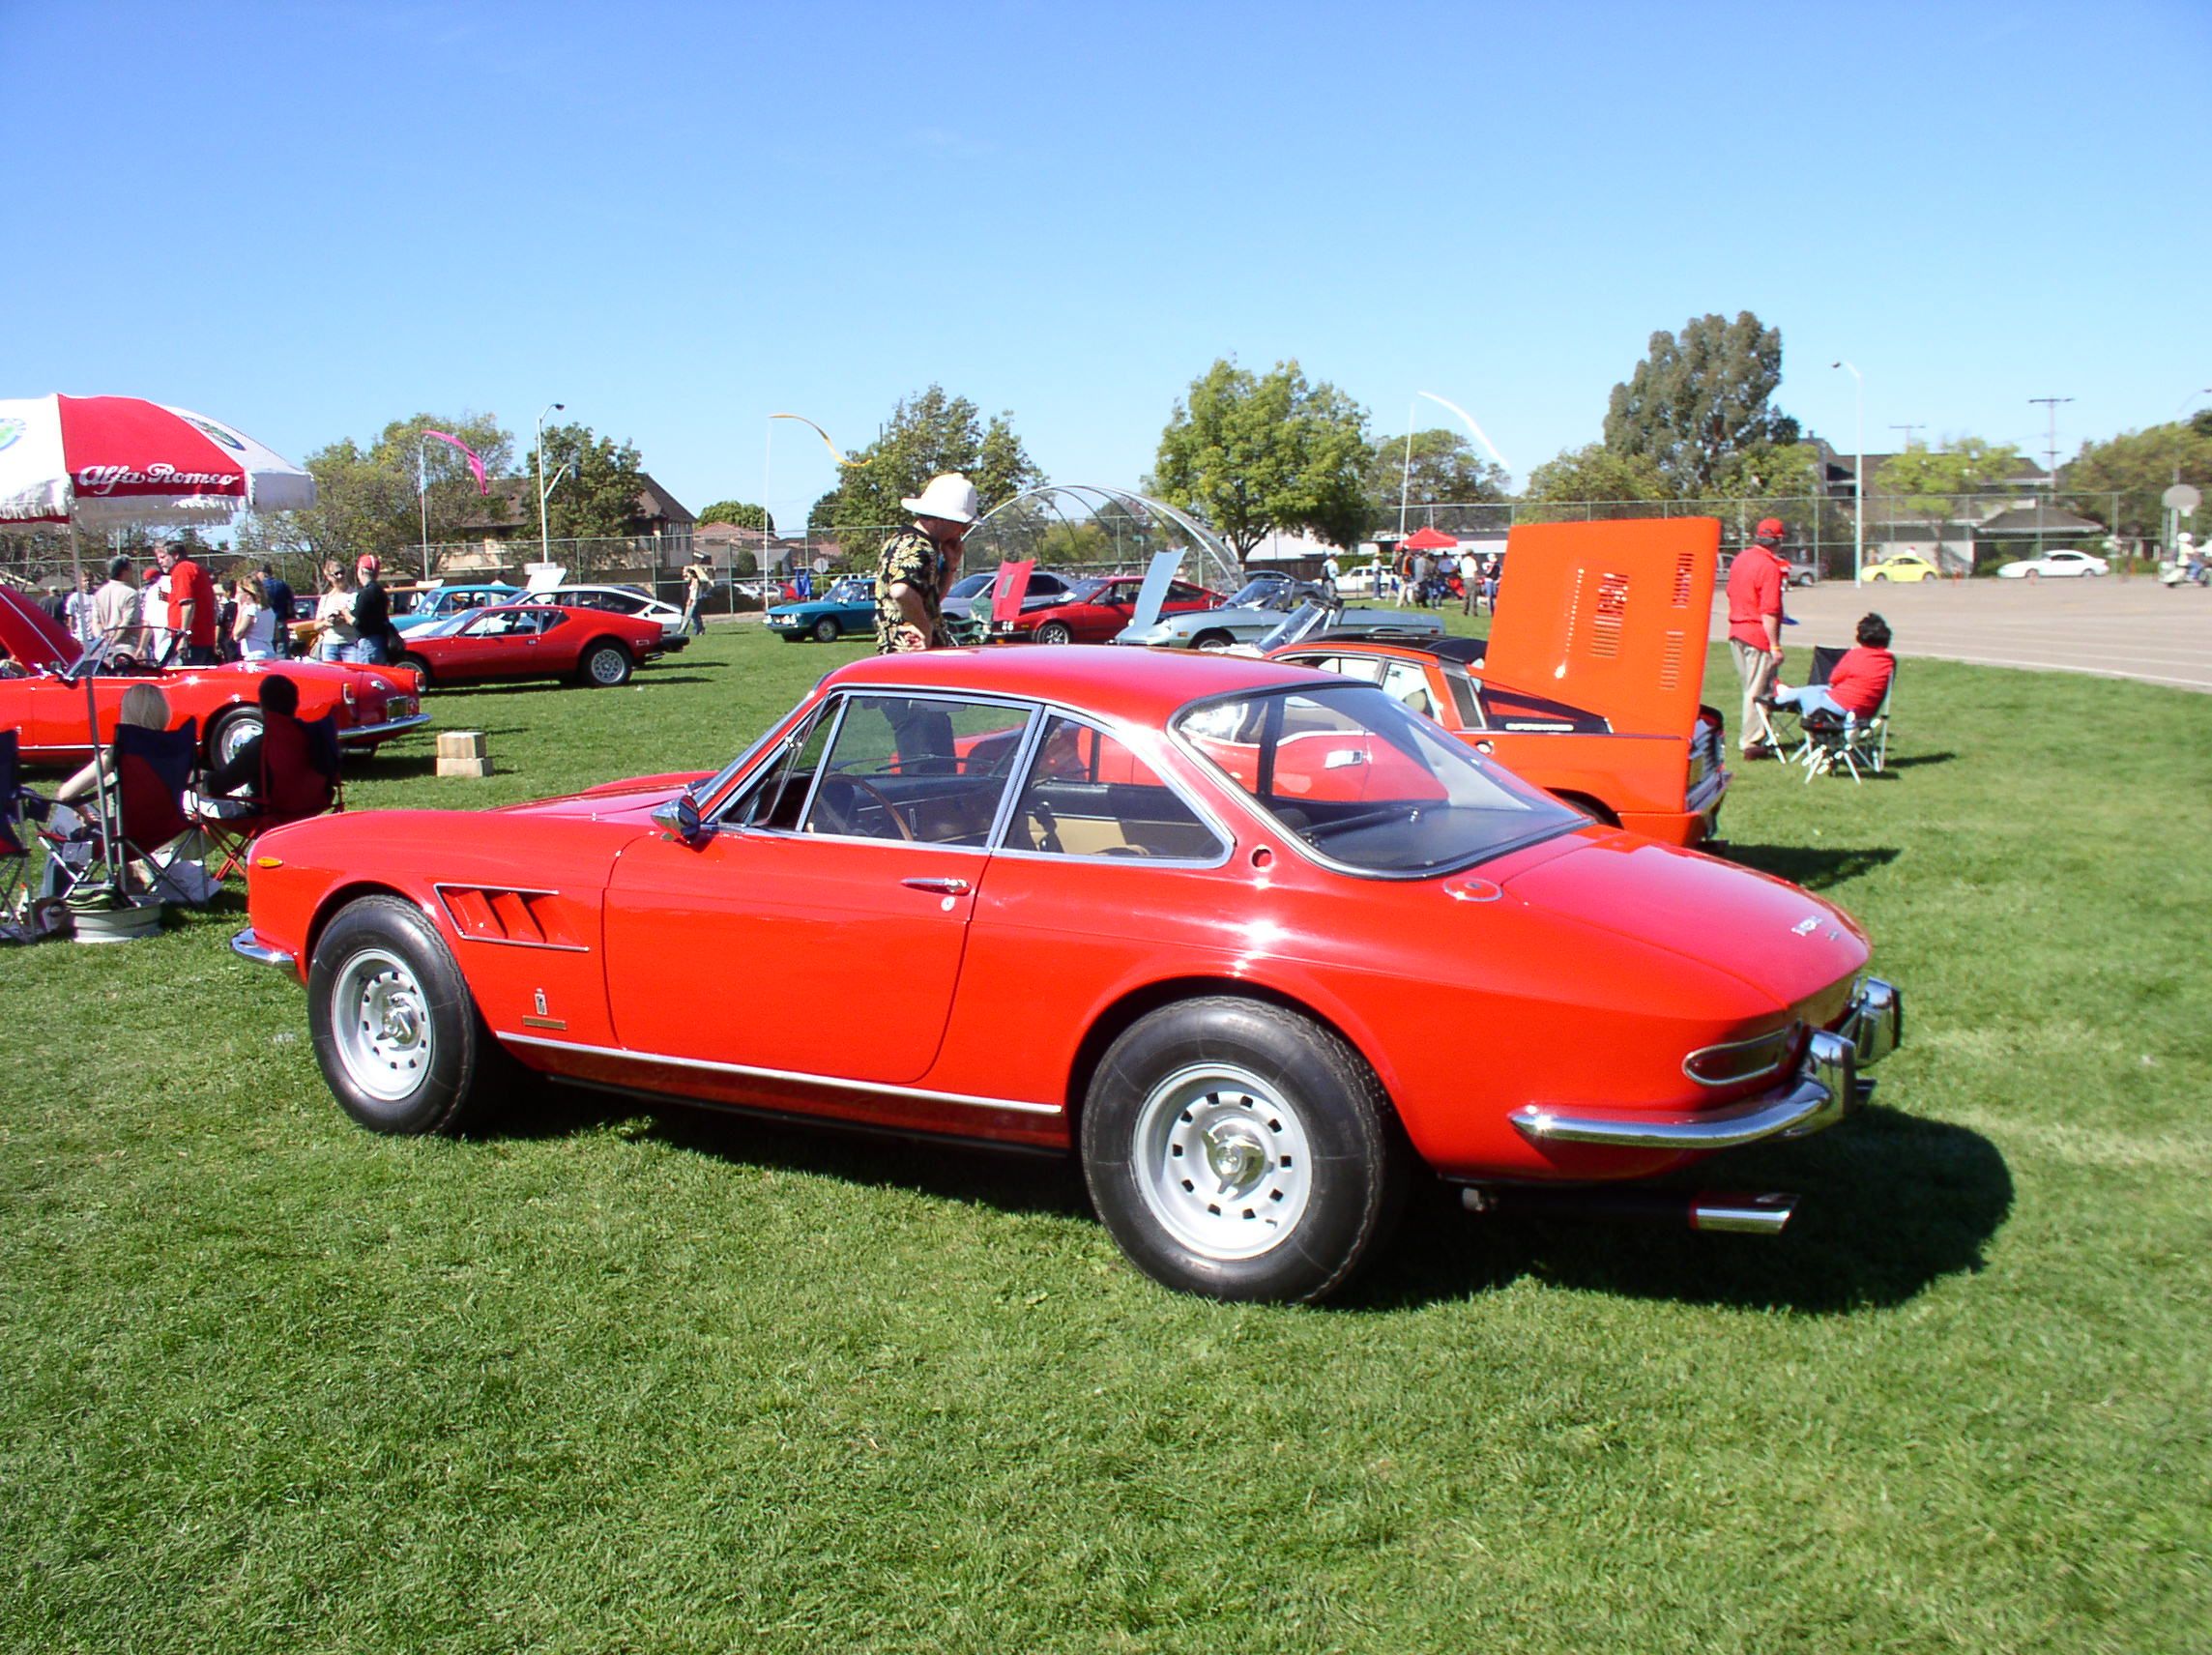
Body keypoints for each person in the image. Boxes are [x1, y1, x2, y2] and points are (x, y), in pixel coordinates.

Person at [874, 473, 976, 654]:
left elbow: (931, 601)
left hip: (898, 656)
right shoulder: (920, 547)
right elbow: (901, 591)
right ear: (944, 518)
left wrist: (950, 566)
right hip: (914, 657)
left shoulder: (899, 541)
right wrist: (924, 629)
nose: (963, 531)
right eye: (963, 524)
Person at [1726, 517, 1790, 758]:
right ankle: (1752, 742)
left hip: (1736, 631)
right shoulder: (1769, 566)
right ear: (1778, 540)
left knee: (1751, 687)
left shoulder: (1741, 559)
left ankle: (1761, 735)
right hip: (1756, 634)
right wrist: (1775, 645)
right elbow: (1770, 610)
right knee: (1758, 690)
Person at [1766, 613, 1896, 724]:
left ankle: (1780, 697)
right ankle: (1786, 692)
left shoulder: (1855, 655)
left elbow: (1834, 679)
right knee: (1818, 689)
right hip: (1865, 711)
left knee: (1806, 693)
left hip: (1837, 706)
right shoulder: (1889, 662)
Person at [156, 541, 220, 667]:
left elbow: (188, 604)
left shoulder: (182, 569)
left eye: (163, 557)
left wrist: (183, 636)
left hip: (192, 640)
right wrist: (170, 598)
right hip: (201, 638)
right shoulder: (193, 568)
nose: (160, 562)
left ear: (175, 556)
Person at [90, 555, 143, 660]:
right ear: (124, 571)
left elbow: (96, 622)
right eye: (130, 569)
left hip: (104, 649)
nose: (132, 573)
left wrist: (102, 640)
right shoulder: (131, 593)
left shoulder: (100, 593)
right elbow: (128, 623)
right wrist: (114, 641)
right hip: (126, 648)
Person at [311, 562, 357, 661]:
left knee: (353, 675)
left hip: (351, 644)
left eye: (342, 572)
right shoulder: (325, 598)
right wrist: (327, 622)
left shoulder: (355, 595)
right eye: (336, 573)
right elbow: (316, 626)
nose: (340, 576)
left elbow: (361, 622)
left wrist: (345, 618)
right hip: (329, 645)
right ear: (329, 577)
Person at [348, 556, 390, 664]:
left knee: (368, 678)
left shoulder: (366, 593)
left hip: (369, 643)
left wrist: (345, 612)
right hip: (381, 641)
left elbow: (357, 621)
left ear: (361, 570)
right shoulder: (380, 591)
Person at [232, 572, 279, 661]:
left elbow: (236, 636)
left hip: (254, 655)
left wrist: (240, 610)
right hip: (270, 652)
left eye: (239, 593)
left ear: (247, 594)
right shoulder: (268, 609)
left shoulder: (250, 610)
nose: (236, 596)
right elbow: (276, 634)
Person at [258, 564, 295, 657]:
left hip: (264, 624)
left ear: (262, 573)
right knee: (282, 651)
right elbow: (290, 602)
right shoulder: (282, 585)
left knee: (265, 652)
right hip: (280, 621)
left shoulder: (260, 588)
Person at [63, 571, 98, 650]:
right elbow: (71, 619)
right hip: (82, 637)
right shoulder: (75, 598)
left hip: (97, 637)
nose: (88, 583)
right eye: (85, 581)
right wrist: (72, 634)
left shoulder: (98, 595)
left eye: (90, 580)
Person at [681, 559, 713, 636]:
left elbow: (695, 593)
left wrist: (692, 600)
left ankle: (697, 629)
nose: (687, 576)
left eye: (688, 574)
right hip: (692, 600)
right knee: (696, 615)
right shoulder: (691, 581)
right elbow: (691, 592)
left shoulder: (696, 581)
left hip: (696, 600)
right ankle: (700, 629)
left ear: (691, 574)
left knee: (693, 615)